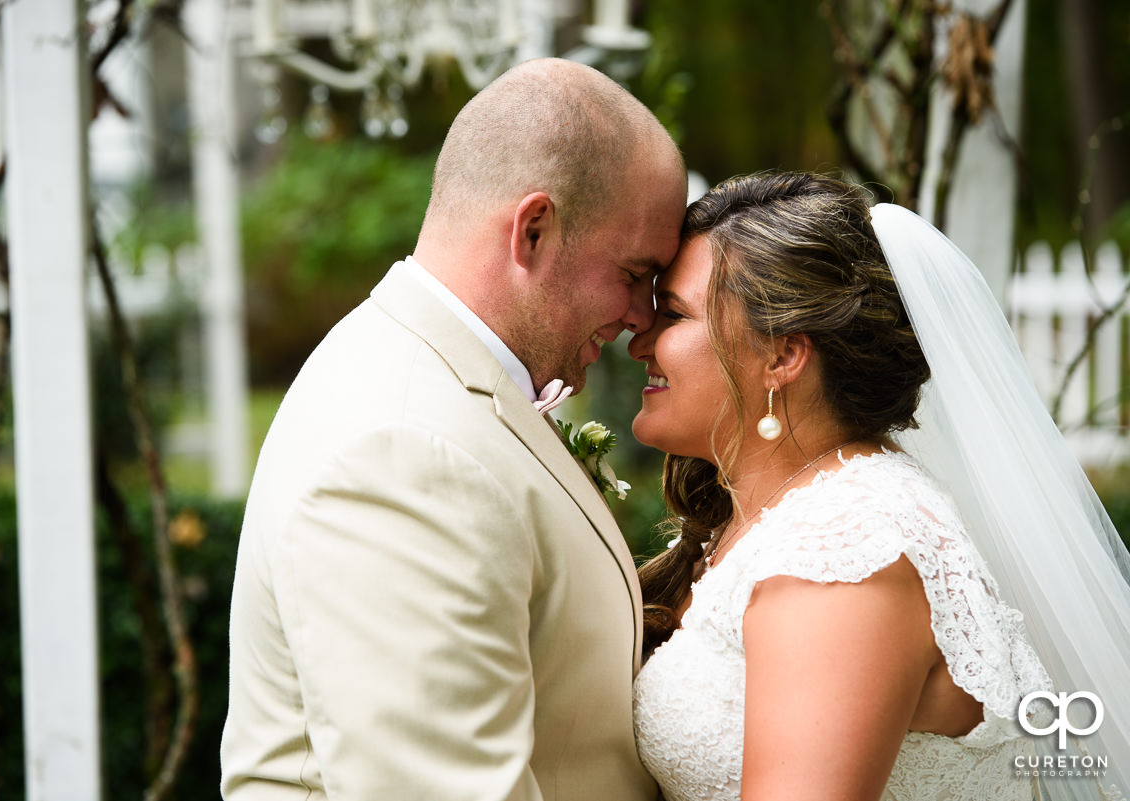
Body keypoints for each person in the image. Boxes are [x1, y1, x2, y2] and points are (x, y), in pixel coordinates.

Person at [219, 58, 688, 800]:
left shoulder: (436, 385)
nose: (641, 317)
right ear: (534, 229)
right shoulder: (401, 449)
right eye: (634, 273)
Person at [627, 172, 1130, 801]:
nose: (637, 341)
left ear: (783, 355)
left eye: (671, 314)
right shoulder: (785, 516)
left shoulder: (847, 550)